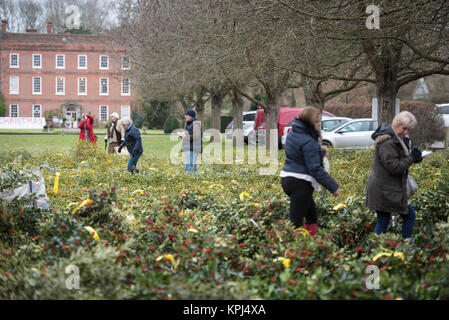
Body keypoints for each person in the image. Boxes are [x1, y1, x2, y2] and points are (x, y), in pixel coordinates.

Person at [281, 106, 340, 236]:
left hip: (287, 178)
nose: (319, 124)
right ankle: (291, 249)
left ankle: (310, 243)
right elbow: (315, 168)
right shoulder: (308, 141)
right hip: (300, 182)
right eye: (316, 121)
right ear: (309, 122)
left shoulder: (292, 134)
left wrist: (319, 153)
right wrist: (333, 187)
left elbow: (296, 155)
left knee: (311, 215)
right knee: (295, 223)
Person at [366, 111, 422, 239]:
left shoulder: (397, 139)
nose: (406, 132)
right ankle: (407, 248)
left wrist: (415, 158)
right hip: (385, 190)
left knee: (383, 219)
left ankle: (373, 250)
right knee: (409, 215)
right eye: (404, 129)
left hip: (386, 188)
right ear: (397, 124)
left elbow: (401, 161)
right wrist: (411, 158)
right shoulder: (387, 143)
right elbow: (395, 167)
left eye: (408, 129)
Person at [181, 109, 203, 174]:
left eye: (186, 115)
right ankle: (198, 181)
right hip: (189, 148)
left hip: (193, 148)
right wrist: (182, 135)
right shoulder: (189, 124)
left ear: (190, 116)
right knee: (192, 168)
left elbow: (196, 136)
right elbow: (189, 134)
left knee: (189, 168)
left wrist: (185, 136)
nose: (185, 116)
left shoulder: (196, 124)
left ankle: (192, 182)